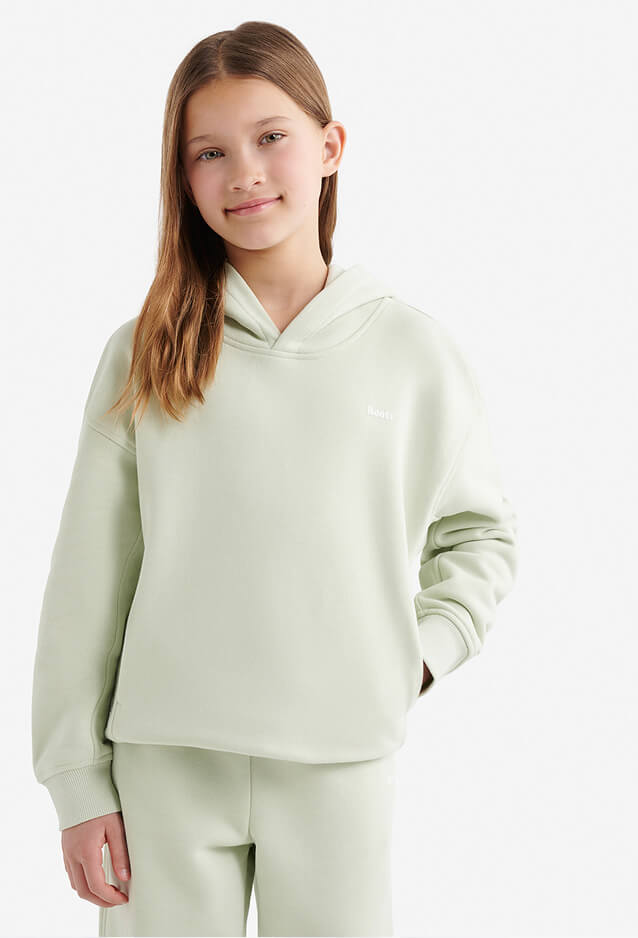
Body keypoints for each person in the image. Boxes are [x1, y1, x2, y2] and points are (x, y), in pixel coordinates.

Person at [31, 20, 518, 938]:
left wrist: (417, 654)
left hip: (339, 760)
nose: (244, 173)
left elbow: (480, 534)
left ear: (331, 147)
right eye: (209, 152)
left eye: (270, 137)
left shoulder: (412, 350)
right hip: (165, 764)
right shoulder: (146, 352)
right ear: (183, 177)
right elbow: (87, 578)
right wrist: (75, 781)